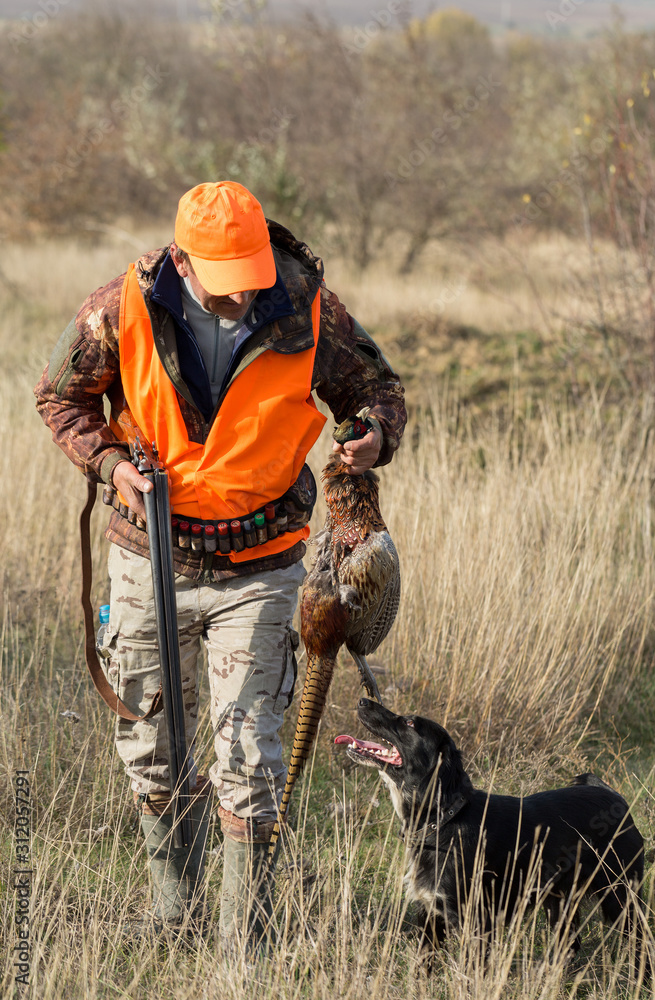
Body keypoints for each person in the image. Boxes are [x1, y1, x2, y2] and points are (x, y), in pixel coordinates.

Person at [34, 181, 406, 948]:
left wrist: (372, 432)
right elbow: (60, 398)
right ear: (183, 259)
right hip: (149, 557)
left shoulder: (306, 305)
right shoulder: (118, 307)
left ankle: (247, 946)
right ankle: (174, 917)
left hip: (262, 566)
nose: (242, 293)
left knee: (250, 756)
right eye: (224, 278)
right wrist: (109, 465)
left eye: (252, 274)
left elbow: (375, 387)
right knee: (151, 750)